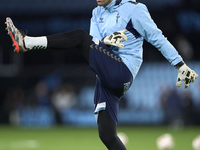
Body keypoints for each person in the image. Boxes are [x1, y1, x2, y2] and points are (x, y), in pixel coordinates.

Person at [5, 0, 198, 149]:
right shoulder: (96, 12)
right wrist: (106, 41)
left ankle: (26, 42)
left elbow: (158, 38)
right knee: (106, 134)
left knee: (78, 36)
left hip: (122, 72)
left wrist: (180, 65)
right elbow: (94, 44)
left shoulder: (134, 9)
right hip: (105, 77)